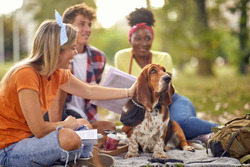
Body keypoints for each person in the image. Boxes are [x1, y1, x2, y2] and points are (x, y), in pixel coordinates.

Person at [0, 11, 135, 167]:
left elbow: (89, 91)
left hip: (29, 141)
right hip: (8, 150)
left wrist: (129, 91)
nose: (75, 53)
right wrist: (66, 124)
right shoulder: (26, 74)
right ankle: (76, 157)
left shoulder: (58, 73)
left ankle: (73, 157)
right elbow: (39, 129)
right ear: (56, 50)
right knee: (68, 137)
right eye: (72, 48)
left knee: (85, 124)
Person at [114, 7, 217, 142]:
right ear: (130, 39)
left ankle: (223, 129)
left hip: (171, 102)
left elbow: (164, 93)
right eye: (137, 38)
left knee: (178, 124)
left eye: (147, 38)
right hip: (141, 110)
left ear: (152, 39)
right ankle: (204, 137)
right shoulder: (121, 57)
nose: (143, 43)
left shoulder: (163, 57)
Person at [46, 3, 106, 123]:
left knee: (109, 128)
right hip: (62, 114)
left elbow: (92, 92)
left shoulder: (99, 57)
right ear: (68, 27)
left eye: (89, 25)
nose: (88, 29)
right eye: (82, 24)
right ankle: (57, 132)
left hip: (86, 114)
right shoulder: (58, 56)